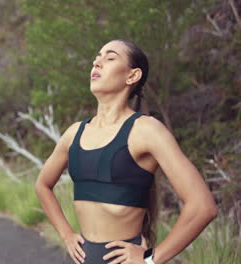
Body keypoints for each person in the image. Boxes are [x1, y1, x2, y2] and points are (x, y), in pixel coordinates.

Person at [35, 40, 217, 264]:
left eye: (109, 58)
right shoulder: (74, 134)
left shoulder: (147, 131)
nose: (97, 62)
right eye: (97, 57)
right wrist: (66, 235)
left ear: (132, 76)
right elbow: (43, 185)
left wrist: (151, 259)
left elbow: (202, 206)